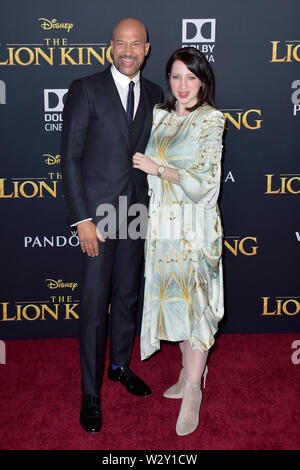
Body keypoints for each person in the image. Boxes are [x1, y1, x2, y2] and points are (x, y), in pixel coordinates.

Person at [61, 18, 163, 434]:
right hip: (98, 219)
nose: (127, 50)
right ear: (110, 47)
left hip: (136, 213)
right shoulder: (85, 89)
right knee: (93, 307)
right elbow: (70, 158)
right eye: (120, 43)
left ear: (147, 49)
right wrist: (82, 219)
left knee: (126, 295)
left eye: (135, 44)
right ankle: (90, 392)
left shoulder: (156, 93)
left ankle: (119, 365)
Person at [132, 47, 225, 436]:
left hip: (196, 229)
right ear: (168, 80)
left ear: (203, 80)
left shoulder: (211, 120)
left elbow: (206, 182)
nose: (183, 85)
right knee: (179, 307)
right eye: (175, 77)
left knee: (198, 307)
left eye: (191, 77)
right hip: (164, 229)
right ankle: (190, 376)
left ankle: (192, 391)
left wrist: (159, 168)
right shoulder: (159, 116)